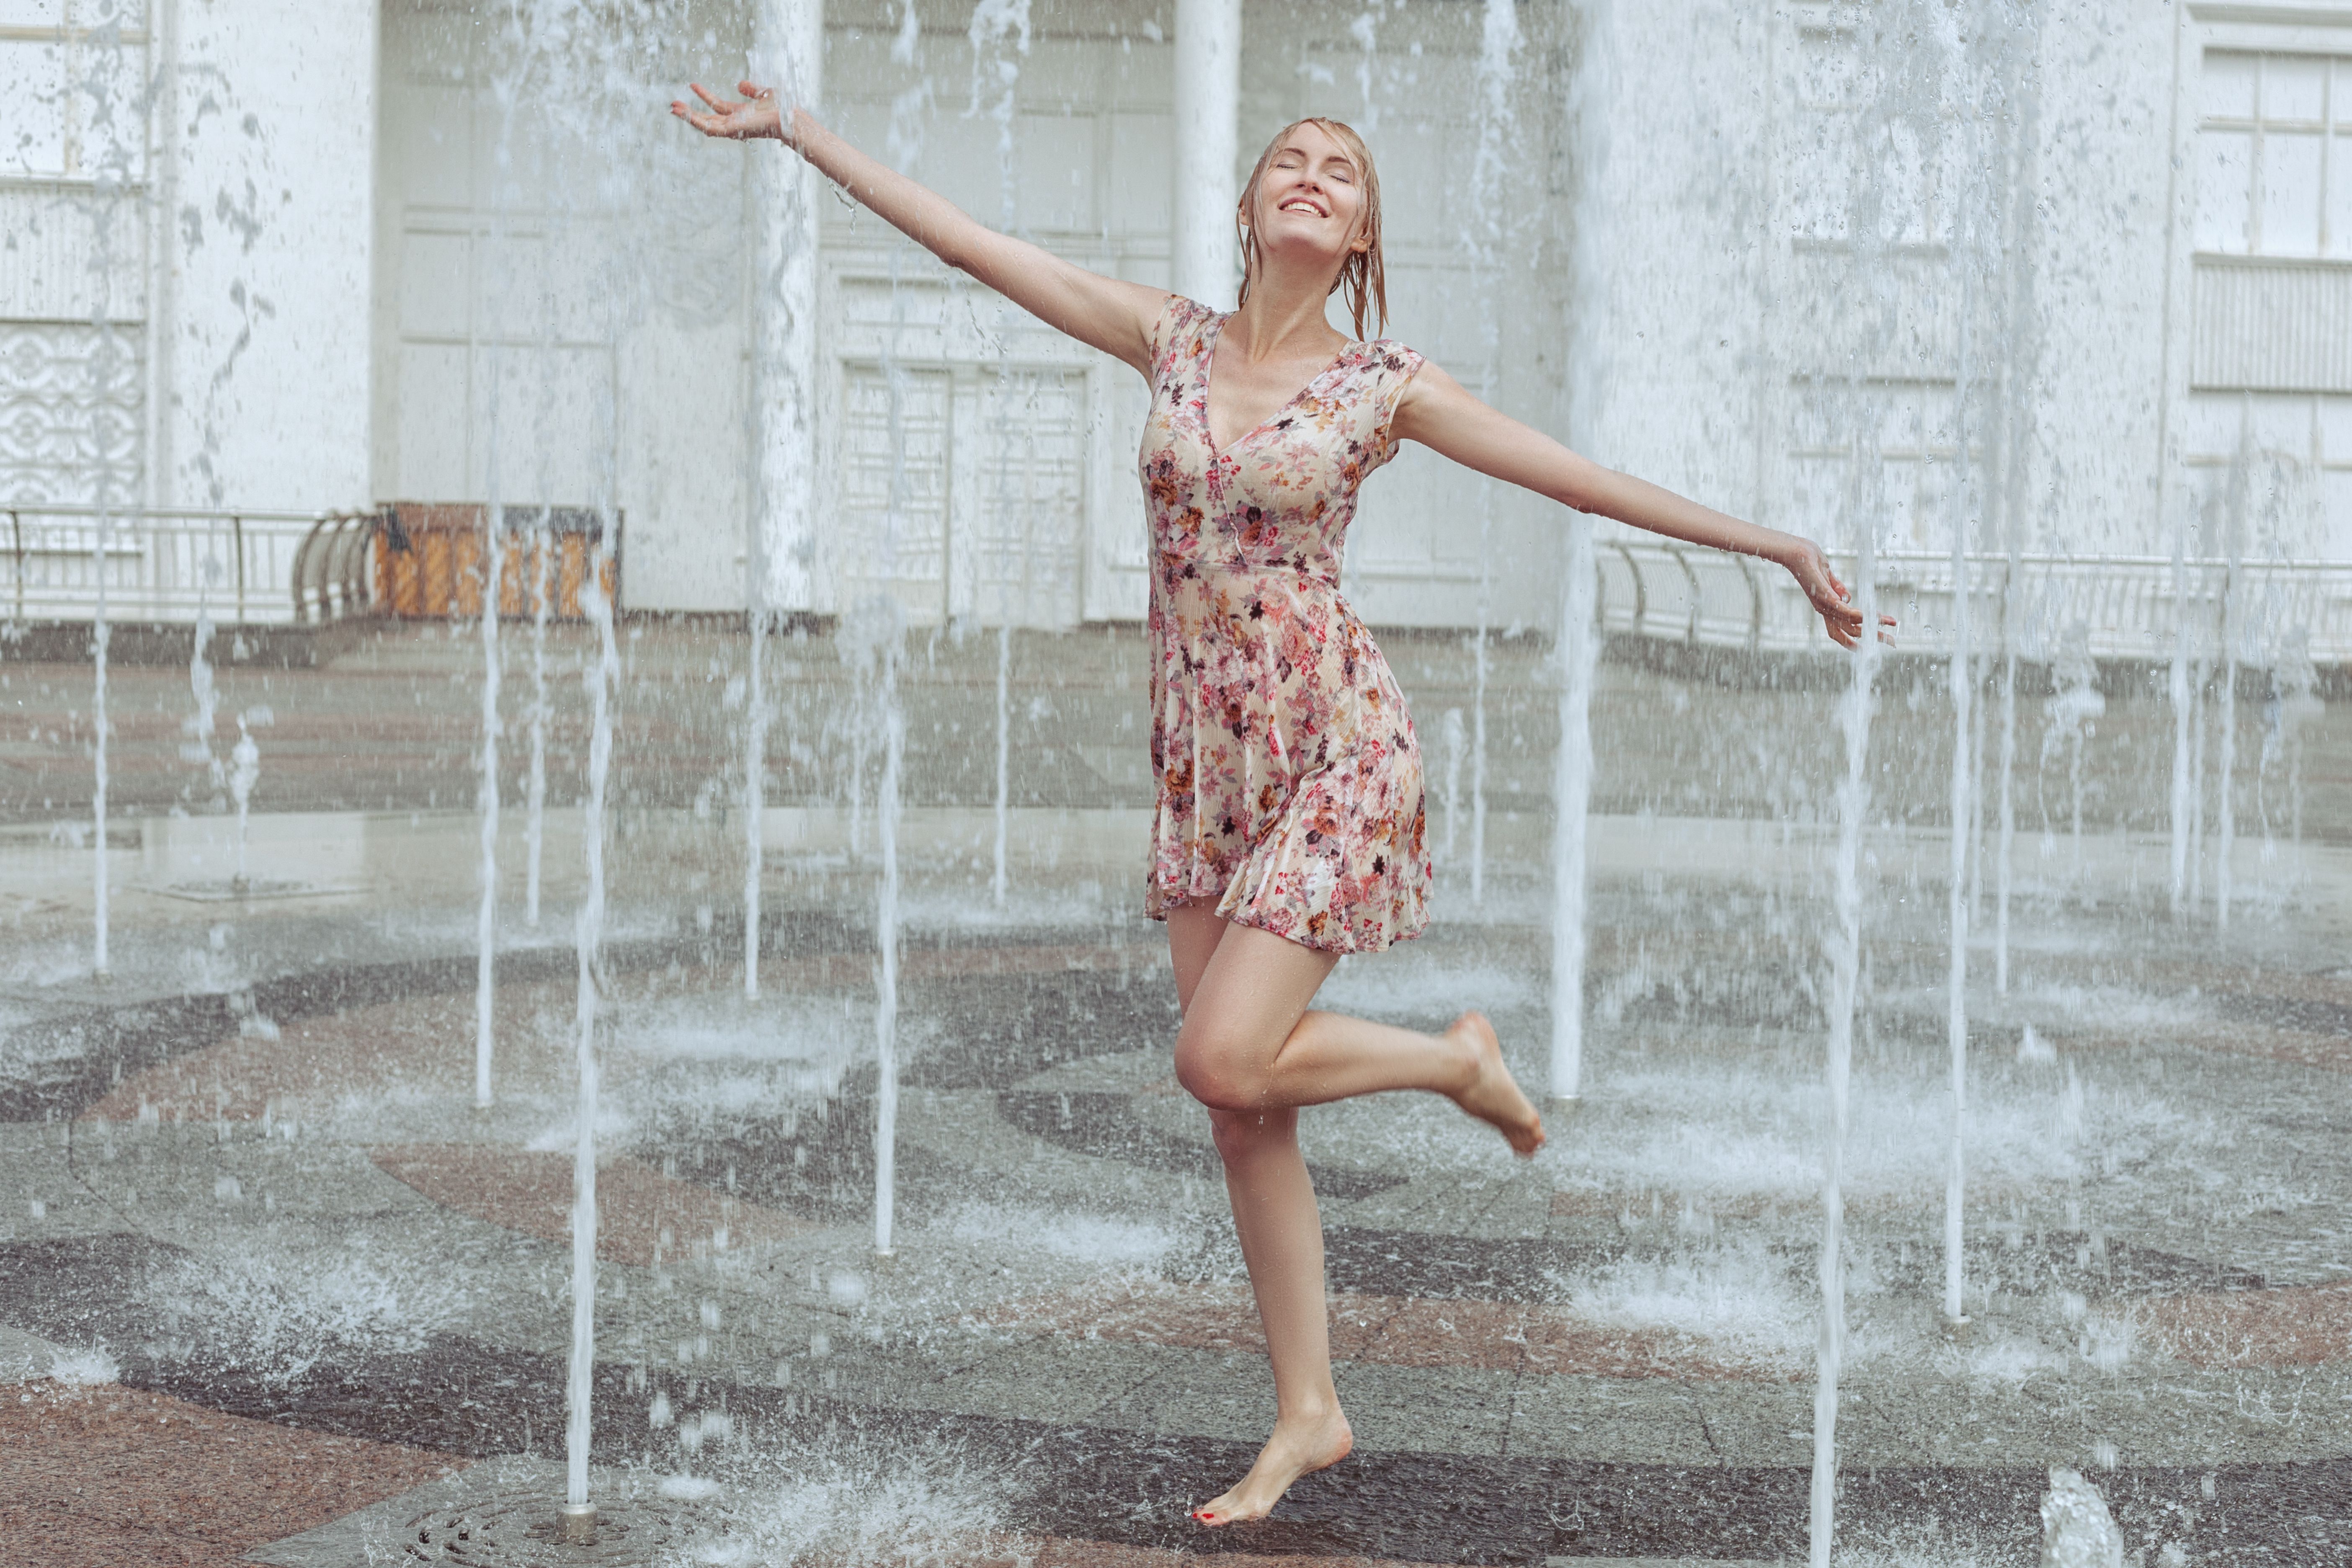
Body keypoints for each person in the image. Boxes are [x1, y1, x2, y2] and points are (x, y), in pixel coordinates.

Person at [673, 85, 1875, 1526]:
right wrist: (802, 131)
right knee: (1245, 1118)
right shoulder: (1165, 338)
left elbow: (1583, 482)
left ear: (1361, 233)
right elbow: (977, 247)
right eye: (1289, 163)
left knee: (1222, 1060)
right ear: (1249, 210)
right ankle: (1310, 1409)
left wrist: (1776, 546)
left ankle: (1457, 1066)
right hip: (1205, 756)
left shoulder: (1387, 386)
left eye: (1343, 173)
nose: (1313, 177)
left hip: (1334, 742)